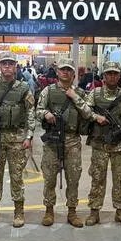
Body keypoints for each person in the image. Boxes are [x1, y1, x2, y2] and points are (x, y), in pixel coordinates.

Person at [0, 52, 35, 228]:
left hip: (17, 138)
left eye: (11, 64)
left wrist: (29, 136)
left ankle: (19, 212)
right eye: (4, 64)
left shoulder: (24, 87)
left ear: (16, 67)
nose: (8, 67)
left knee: (17, 176)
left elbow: (30, 112)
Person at [36, 58, 93, 227]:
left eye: (69, 70)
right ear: (58, 72)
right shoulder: (48, 91)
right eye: (62, 70)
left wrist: (75, 97)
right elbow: (37, 110)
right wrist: (45, 114)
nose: (65, 73)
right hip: (53, 141)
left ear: (73, 73)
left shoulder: (81, 93)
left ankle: (72, 211)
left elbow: (89, 114)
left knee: (73, 177)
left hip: (72, 140)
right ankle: (48, 210)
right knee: (49, 177)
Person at [84, 62, 121, 227]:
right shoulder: (95, 93)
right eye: (109, 73)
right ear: (104, 76)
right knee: (97, 178)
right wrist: (96, 117)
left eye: (115, 73)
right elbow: (85, 110)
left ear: (119, 76)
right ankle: (94, 211)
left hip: (119, 145)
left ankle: (120, 211)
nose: (112, 76)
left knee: (120, 179)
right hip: (100, 144)